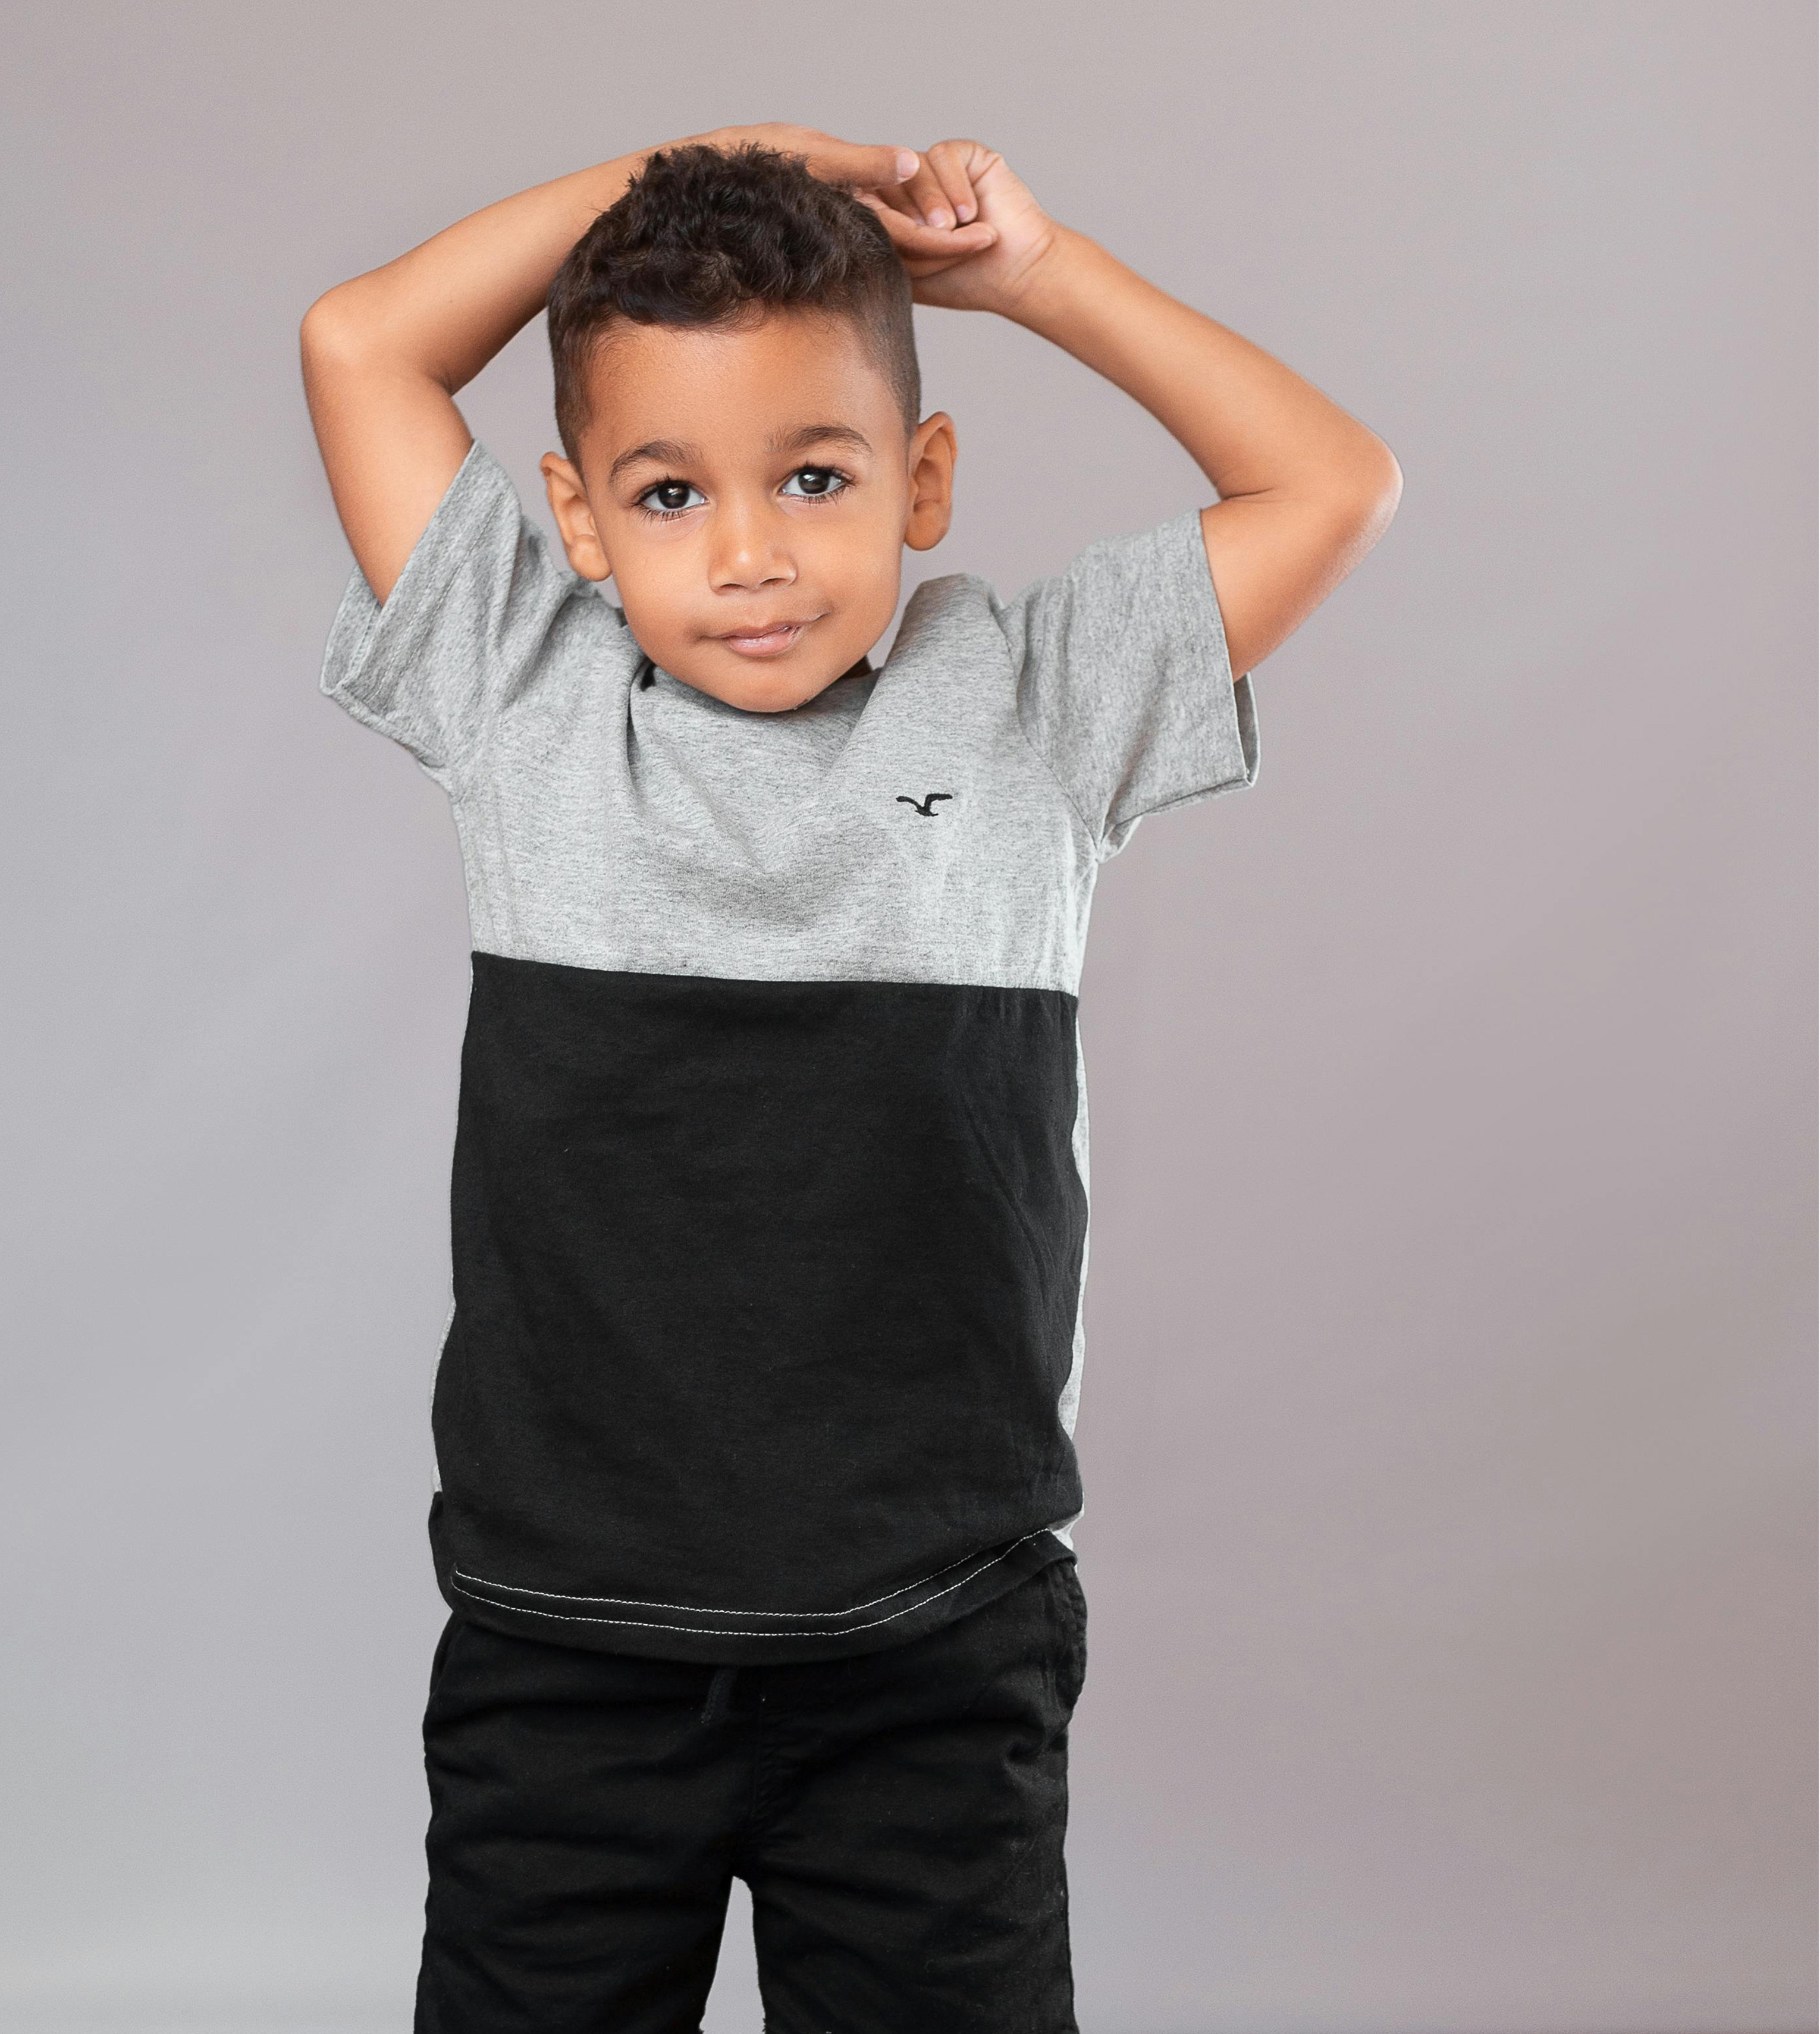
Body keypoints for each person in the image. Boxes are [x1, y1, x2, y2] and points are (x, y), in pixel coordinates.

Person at [299, 123, 1399, 2034]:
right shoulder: (522, 694)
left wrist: (1030, 276)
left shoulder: (1039, 705)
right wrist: (693, 166)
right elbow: (359, 342)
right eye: (667, 492)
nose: (748, 552)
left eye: (814, 475)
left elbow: (1330, 479)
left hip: (932, 1645)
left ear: (922, 478)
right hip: (567, 1649)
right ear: (575, 516)